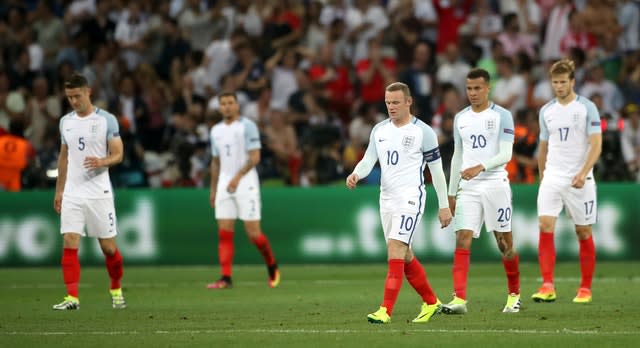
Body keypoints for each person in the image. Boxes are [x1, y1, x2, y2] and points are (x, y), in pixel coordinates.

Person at [346, 82, 452, 324]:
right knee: (404, 256)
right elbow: (368, 160)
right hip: (387, 199)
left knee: (395, 249)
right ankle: (431, 302)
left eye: (395, 102)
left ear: (408, 102)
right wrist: (355, 174)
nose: (391, 107)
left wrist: (444, 205)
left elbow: (436, 172)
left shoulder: (423, 132)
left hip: (410, 198)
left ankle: (385, 310)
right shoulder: (379, 130)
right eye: (388, 103)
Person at [442, 68, 521, 315]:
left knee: (504, 243)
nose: (473, 93)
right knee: (462, 236)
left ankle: (514, 296)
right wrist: (451, 193)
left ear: (488, 88)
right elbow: (457, 157)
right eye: (469, 88)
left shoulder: (503, 116)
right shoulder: (461, 118)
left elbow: (506, 154)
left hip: (496, 183)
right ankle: (459, 300)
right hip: (469, 187)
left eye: (477, 88)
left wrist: (481, 166)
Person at [52, 73, 126, 310]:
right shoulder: (65, 122)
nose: (74, 101)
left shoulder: (107, 120)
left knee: (108, 248)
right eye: (69, 97)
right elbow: (63, 158)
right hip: (73, 192)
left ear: (88, 92)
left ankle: (116, 288)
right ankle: (72, 298)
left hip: (99, 193)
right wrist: (59, 191)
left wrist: (102, 161)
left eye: (77, 95)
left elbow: (118, 154)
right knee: (70, 240)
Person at [532, 59, 602, 304]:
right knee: (544, 224)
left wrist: (584, 172)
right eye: (555, 82)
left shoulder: (587, 108)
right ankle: (547, 285)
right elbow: (543, 147)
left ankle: (585, 288)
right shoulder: (546, 111)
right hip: (553, 176)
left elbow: (596, 143)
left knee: (583, 231)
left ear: (572, 82)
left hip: (579, 178)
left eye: (563, 82)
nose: (559, 86)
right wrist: (543, 177)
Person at [207, 92, 280, 289]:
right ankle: (226, 277)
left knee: (253, 234)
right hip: (224, 184)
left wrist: (238, 177)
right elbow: (215, 162)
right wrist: (213, 189)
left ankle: (272, 265)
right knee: (224, 231)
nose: (227, 107)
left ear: (237, 105)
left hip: (246, 183)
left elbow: (255, 156)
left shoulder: (247, 126)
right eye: (223, 104)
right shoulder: (215, 131)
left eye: (230, 103)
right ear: (219, 108)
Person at [0, 119, 35, 191]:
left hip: (1, 173)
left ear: (9, 129)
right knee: (14, 200)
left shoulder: (1, 141)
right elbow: (31, 161)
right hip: (16, 175)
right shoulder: (26, 144)